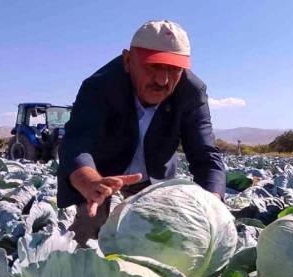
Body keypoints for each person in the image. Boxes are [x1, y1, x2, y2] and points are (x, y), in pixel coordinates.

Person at [58, 20, 226, 245]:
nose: (163, 80)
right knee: (89, 227)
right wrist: (90, 182)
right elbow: (77, 142)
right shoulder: (100, 87)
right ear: (128, 61)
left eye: (174, 69)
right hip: (102, 174)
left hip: (153, 174)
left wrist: (213, 206)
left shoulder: (191, 93)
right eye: (154, 66)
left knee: (159, 239)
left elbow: (205, 155)